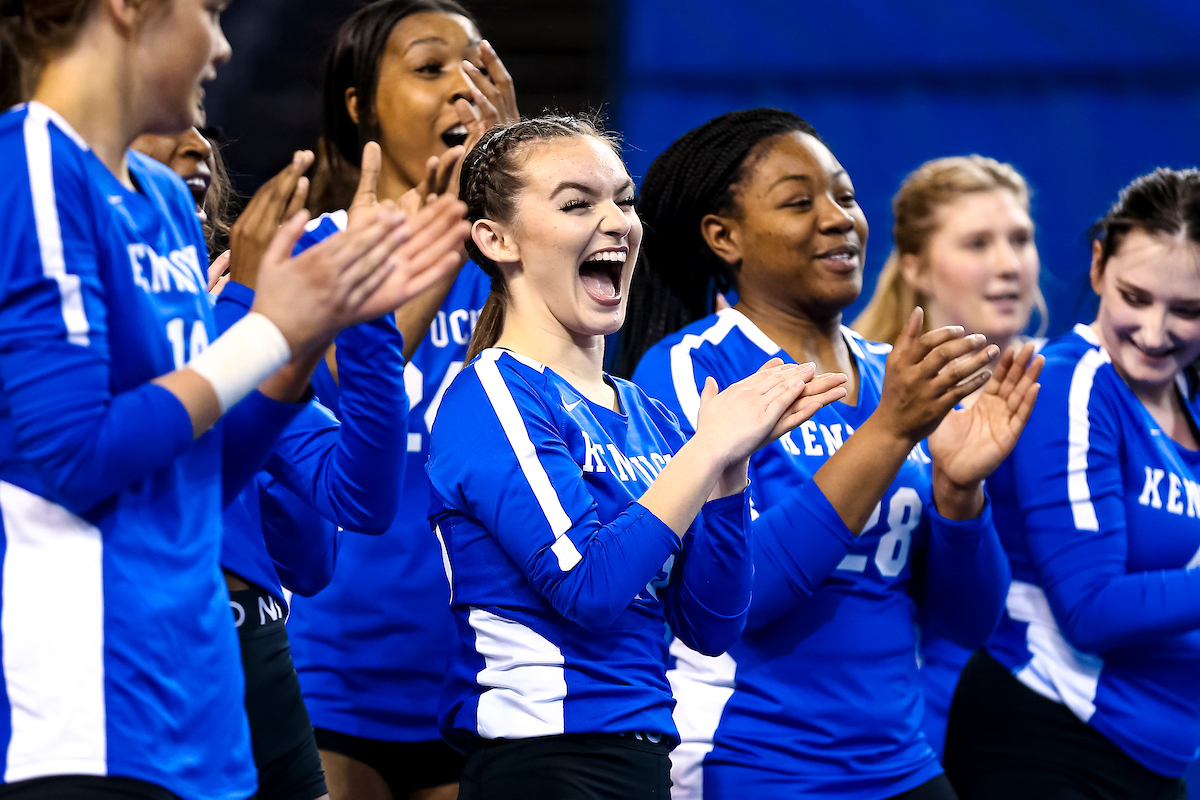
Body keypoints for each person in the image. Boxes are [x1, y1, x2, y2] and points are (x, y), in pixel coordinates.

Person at [0, 1, 467, 798]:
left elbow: (199, 484)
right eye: (210, 11)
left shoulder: (158, 200)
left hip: (209, 724)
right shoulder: (34, 165)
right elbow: (68, 457)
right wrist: (271, 334)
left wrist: (341, 328)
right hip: (86, 716)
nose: (221, 45)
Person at [619, 109, 1042, 800]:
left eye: (844, 196)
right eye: (798, 202)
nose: (837, 217)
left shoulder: (893, 376)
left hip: (903, 768)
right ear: (723, 236)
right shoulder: (691, 370)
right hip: (752, 765)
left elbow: (965, 622)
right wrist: (889, 433)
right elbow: (739, 597)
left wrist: (962, 497)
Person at [426, 113, 848, 800]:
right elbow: (588, 589)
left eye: (623, 200)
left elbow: (709, 628)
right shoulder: (492, 393)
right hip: (544, 764)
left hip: (645, 758)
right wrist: (708, 448)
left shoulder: (644, 415)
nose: (617, 221)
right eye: (577, 203)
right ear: (496, 239)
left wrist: (730, 471)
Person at [284, 3, 519, 798]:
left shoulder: (511, 259)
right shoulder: (312, 248)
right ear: (361, 108)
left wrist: (522, 183)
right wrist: (446, 233)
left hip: (481, 674)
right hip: (335, 671)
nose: (463, 89)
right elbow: (351, 396)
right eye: (429, 69)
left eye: (476, 68)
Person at [942, 168, 1200, 800]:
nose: (1156, 331)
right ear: (1097, 267)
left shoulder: (1188, 396)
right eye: (1135, 298)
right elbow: (1090, 608)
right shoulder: (1071, 385)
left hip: (1154, 759)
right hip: (1049, 740)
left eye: (1188, 310)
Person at [852, 154, 1045, 758]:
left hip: (1055, 709)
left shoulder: (1077, 385)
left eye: (1020, 239)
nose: (1009, 265)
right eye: (978, 243)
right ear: (917, 268)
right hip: (914, 715)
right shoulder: (865, 398)